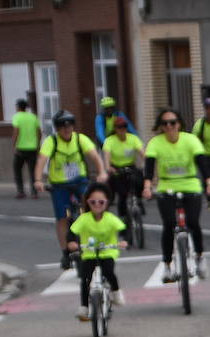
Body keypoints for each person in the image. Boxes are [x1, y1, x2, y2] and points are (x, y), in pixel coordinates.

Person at [141, 106, 210, 283]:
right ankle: (167, 266)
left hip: (190, 184)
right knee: (169, 224)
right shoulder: (155, 142)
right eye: (165, 123)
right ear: (161, 126)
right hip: (167, 186)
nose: (169, 126)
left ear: (179, 124)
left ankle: (200, 257)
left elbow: (202, 163)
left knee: (193, 222)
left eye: (172, 122)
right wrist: (147, 186)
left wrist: (209, 183)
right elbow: (149, 167)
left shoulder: (191, 140)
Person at [34, 110, 106, 269]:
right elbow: (42, 160)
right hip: (59, 184)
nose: (66, 129)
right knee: (62, 218)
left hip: (80, 181)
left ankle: (93, 241)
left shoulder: (81, 139)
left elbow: (94, 156)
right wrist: (38, 180)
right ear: (57, 129)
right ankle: (65, 252)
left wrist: (101, 172)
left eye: (69, 125)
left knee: (91, 210)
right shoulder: (51, 141)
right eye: (62, 126)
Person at [65, 181, 126, 321]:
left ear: (107, 203)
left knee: (109, 271)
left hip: (108, 252)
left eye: (101, 202)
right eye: (93, 202)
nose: (97, 205)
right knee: (85, 277)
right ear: (87, 202)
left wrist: (123, 240)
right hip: (89, 252)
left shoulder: (110, 219)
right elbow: (72, 232)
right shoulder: (84, 219)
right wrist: (72, 242)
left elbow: (123, 229)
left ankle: (116, 293)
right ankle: (84, 307)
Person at [102, 116, 144, 226]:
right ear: (115, 129)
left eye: (124, 127)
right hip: (116, 168)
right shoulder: (109, 141)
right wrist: (108, 167)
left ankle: (138, 201)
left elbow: (142, 153)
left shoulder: (133, 138)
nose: (122, 129)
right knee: (122, 194)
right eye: (119, 127)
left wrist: (147, 163)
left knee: (140, 180)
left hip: (131, 166)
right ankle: (123, 218)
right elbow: (106, 155)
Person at [11, 99, 42, 199]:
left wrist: (14, 145)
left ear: (19, 107)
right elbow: (39, 132)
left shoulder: (17, 117)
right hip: (32, 148)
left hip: (20, 148)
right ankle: (34, 193)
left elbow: (16, 131)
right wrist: (37, 144)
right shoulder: (33, 117)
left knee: (17, 169)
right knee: (33, 171)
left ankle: (20, 191)